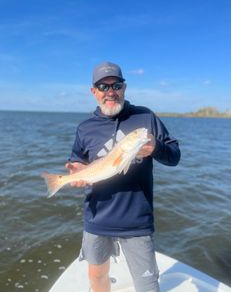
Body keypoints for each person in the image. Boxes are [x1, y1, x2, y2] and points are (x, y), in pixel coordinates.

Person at [65, 62, 181, 292]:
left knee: (148, 285)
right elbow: (77, 160)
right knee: (97, 277)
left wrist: (156, 148)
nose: (110, 92)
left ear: (124, 87)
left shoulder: (145, 117)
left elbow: (174, 156)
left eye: (116, 85)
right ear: (94, 91)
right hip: (97, 218)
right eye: (103, 86)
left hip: (137, 221)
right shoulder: (85, 127)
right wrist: (75, 170)